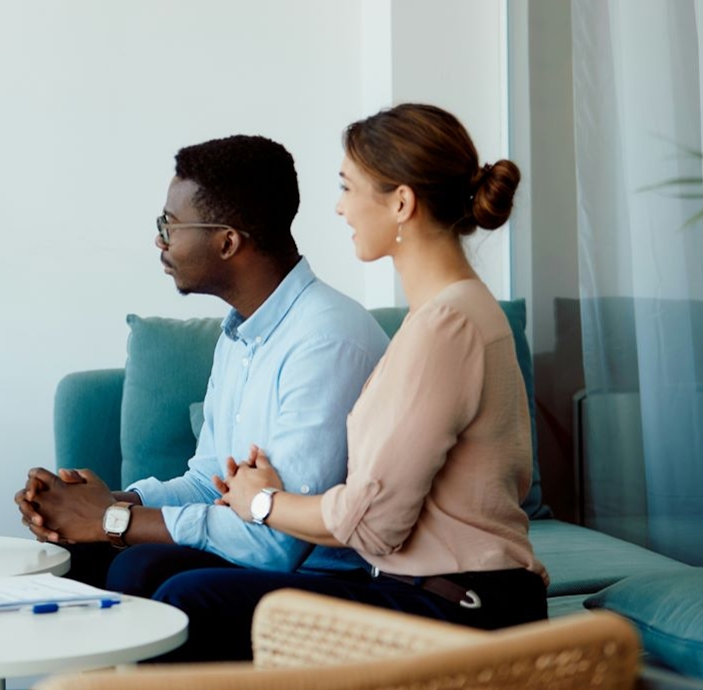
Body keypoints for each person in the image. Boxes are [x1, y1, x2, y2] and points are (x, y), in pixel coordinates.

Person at [152, 103, 549, 662]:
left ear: (401, 203)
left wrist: (262, 502)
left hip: (459, 606)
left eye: (348, 187)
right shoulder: (445, 314)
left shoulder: (447, 325)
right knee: (169, 579)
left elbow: (374, 524)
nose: (339, 208)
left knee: (195, 598)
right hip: (432, 590)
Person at [15, 135, 389, 598]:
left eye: (170, 225)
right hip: (257, 553)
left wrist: (112, 520)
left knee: (142, 570)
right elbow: (209, 483)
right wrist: (106, 503)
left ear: (227, 242)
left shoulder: (326, 341)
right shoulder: (240, 334)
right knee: (74, 554)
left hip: (322, 576)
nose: (159, 239)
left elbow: (275, 542)